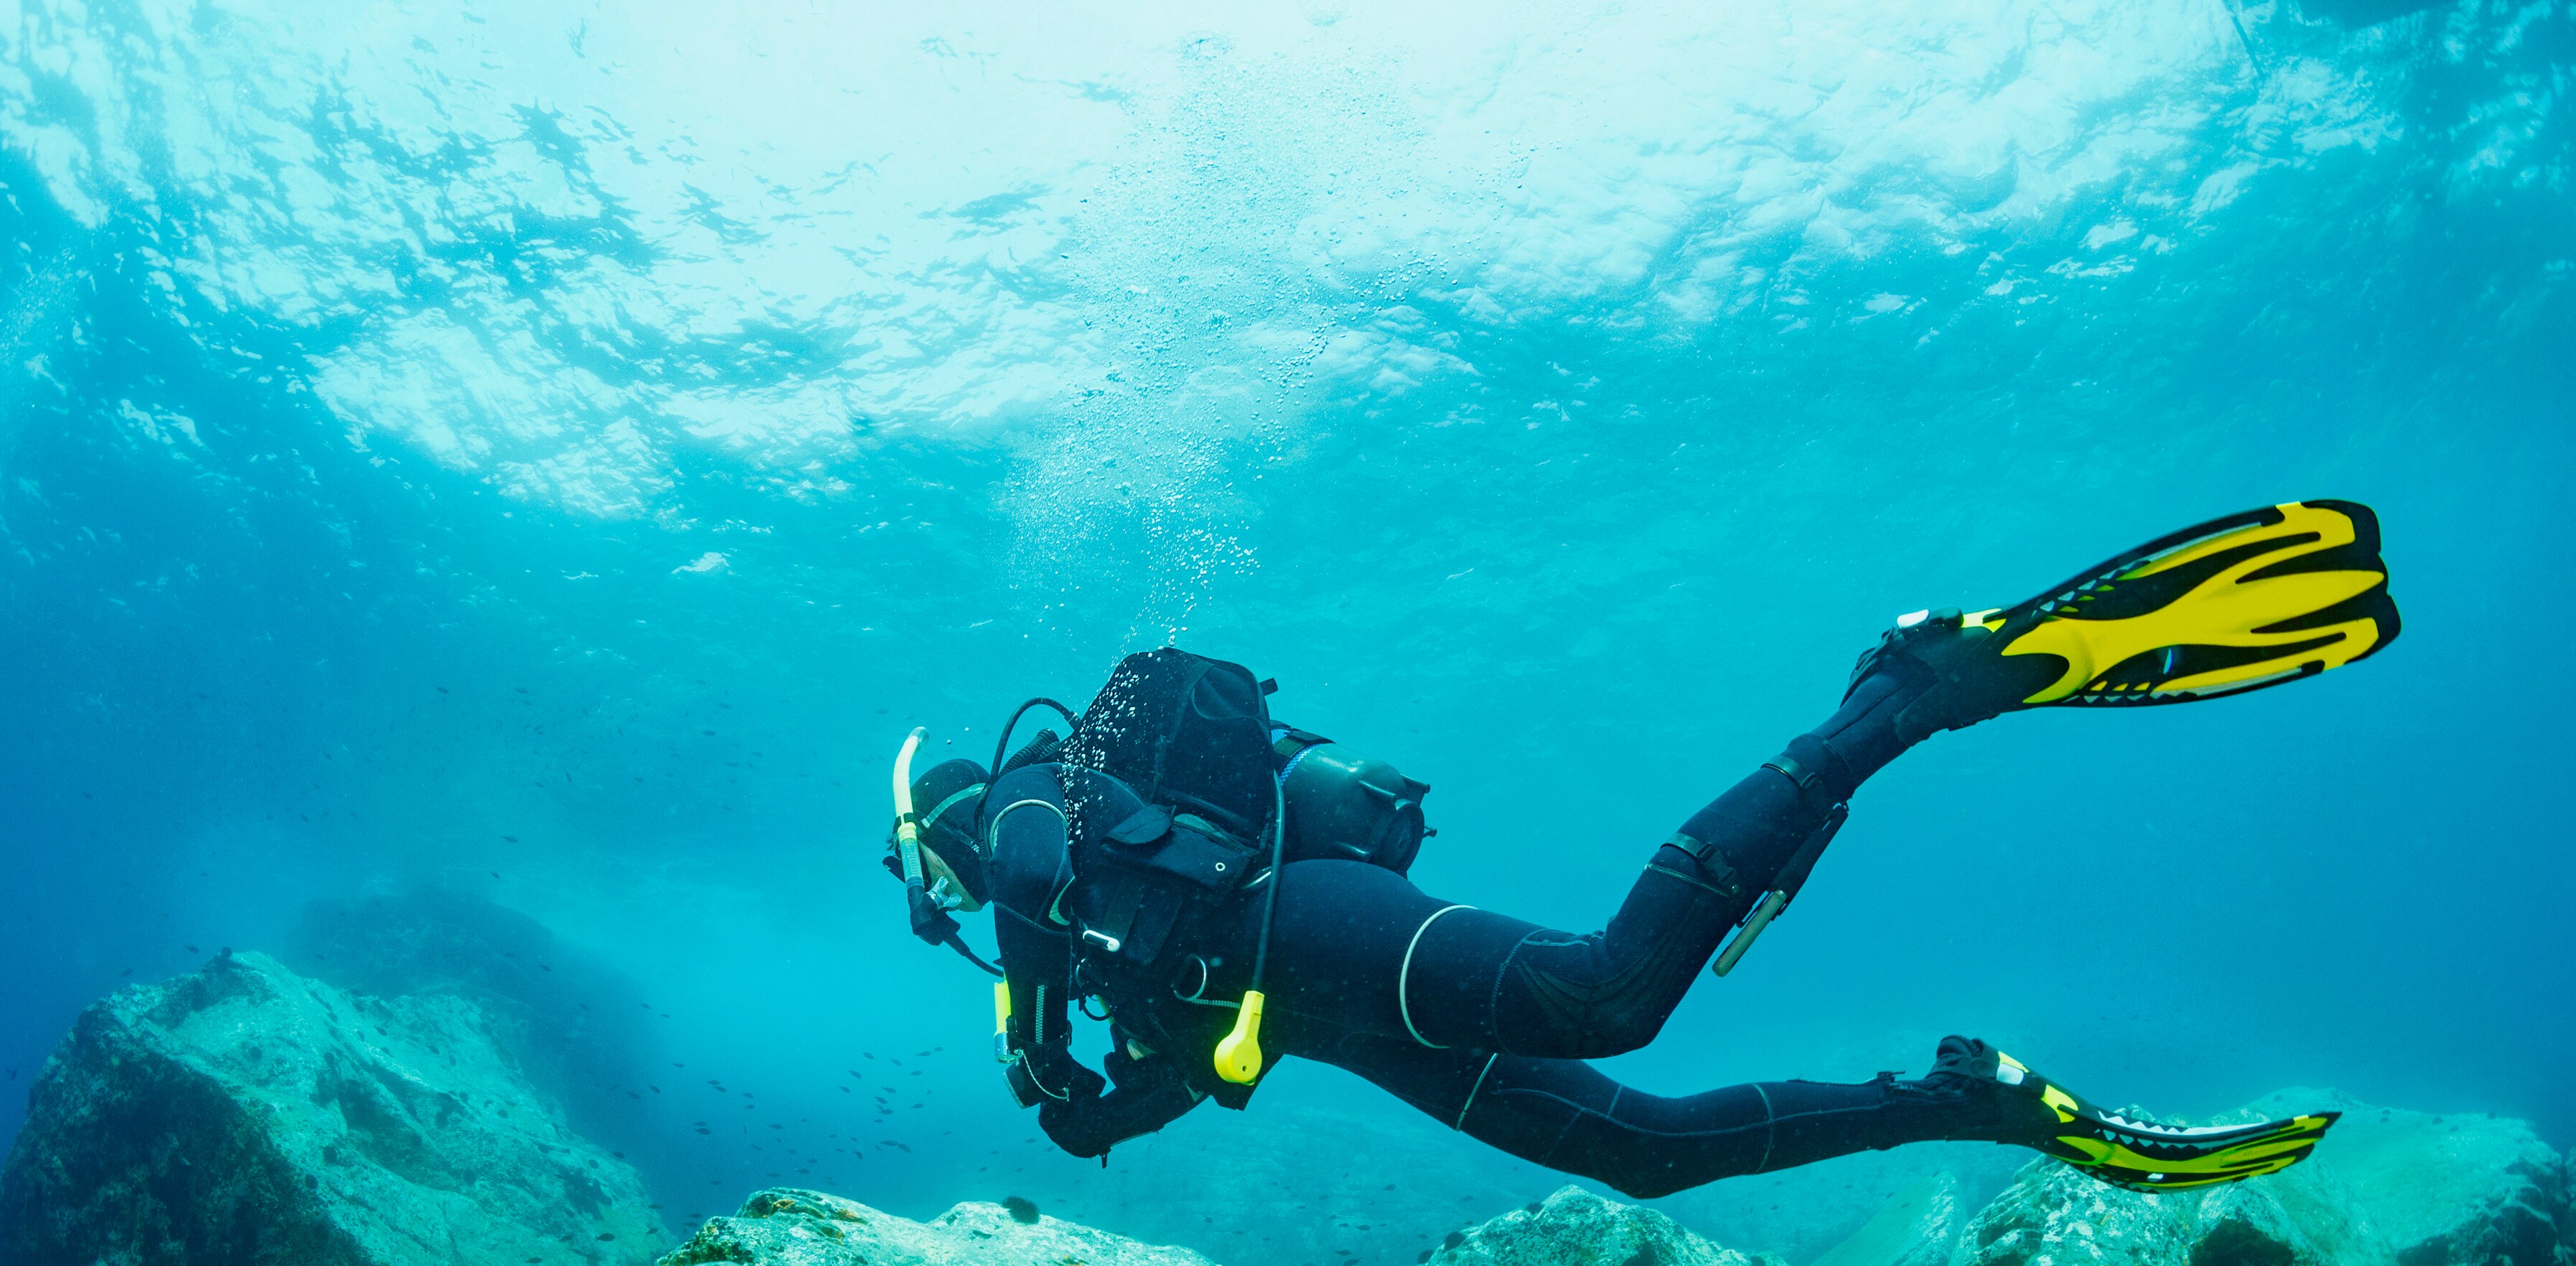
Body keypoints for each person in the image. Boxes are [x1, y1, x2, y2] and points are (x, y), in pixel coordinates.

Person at [886, 500, 2397, 1198]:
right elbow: (1189, 1066)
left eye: (917, 869)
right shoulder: (1101, 929)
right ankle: (1965, 1099)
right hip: (1328, 1003)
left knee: (1605, 991)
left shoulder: (1031, 787)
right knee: (1640, 1152)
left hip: (1319, 919)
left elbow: (1019, 874)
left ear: (930, 827)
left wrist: (1026, 1026)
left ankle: (1903, 696)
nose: (931, 897)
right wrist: (1088, 1110)